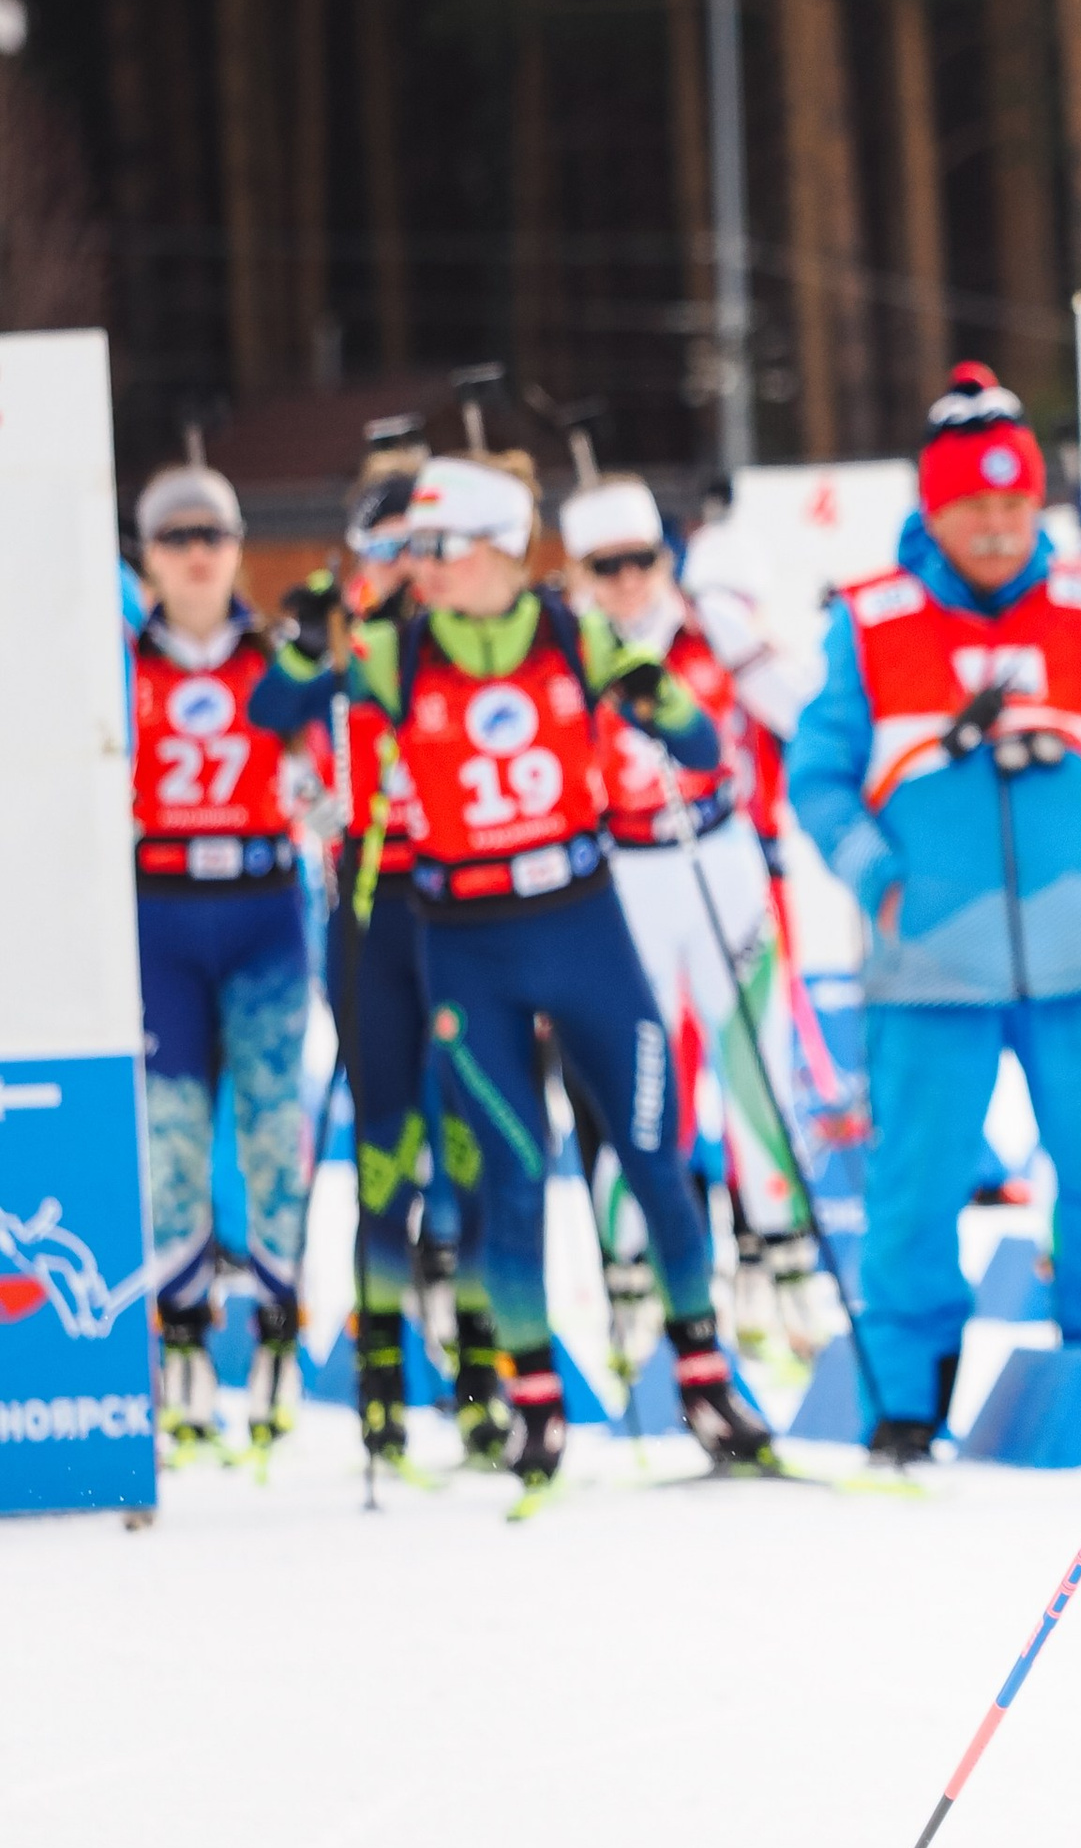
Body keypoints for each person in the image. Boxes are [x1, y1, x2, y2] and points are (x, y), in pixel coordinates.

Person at [323, 450, 778, 1495]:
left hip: (581, 925)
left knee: (654, 1153)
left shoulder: (573, 633)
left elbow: (702, 744)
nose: (422, 565)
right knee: (512, 1174)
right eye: (416, 548)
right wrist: (339, 673)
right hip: (464, 941)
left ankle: (706, 1379)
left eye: (441, 547)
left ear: (497, 550)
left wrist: (661, 703)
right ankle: (533, 1403)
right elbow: (328, 741)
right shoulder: (394, 651)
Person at [788, 363, 1081, 1469]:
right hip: (927, 962)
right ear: (932, 505)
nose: (998, 527)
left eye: (1016, 506)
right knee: (915, 1191)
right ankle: (904, 1406)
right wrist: (879, 872)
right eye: (975, 506)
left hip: (1079, 960)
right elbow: (816, 775)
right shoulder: (871, 619)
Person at [254, 453, 504, 1471]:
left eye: (418, 547)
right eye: (386, 548)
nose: (406, 566)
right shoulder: (345, 626)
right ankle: (383, 1382)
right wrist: (316, 644)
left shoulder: (457, 631)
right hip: (366, 906)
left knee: (478, 1141)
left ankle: (486, 1372)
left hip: (463, 908)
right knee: (384, 1149)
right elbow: (271, 715)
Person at [559, 472, 826, 1368]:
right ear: (583, 571)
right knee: (640, 1078)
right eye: (608, 566)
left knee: (757, 1071)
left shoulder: (708, 625)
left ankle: (783, 1273)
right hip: (626, 876)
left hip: (721, 858)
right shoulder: (569, 646)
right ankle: (632, 1287)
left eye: (642, 561)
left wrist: (747, 647)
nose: (630, 580)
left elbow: (803, 712)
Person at [128, 462, 321, 1455]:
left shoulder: (276, 656)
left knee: (271, 1122)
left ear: (239, 547)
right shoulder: (120, 661)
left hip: (260, 912)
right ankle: (186, 1340)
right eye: (176, 539)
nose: (198, 556)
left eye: (214, 536)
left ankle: (282, 1330)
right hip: (158, 913)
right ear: (148, 557)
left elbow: (325, 773)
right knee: (171, 1134)